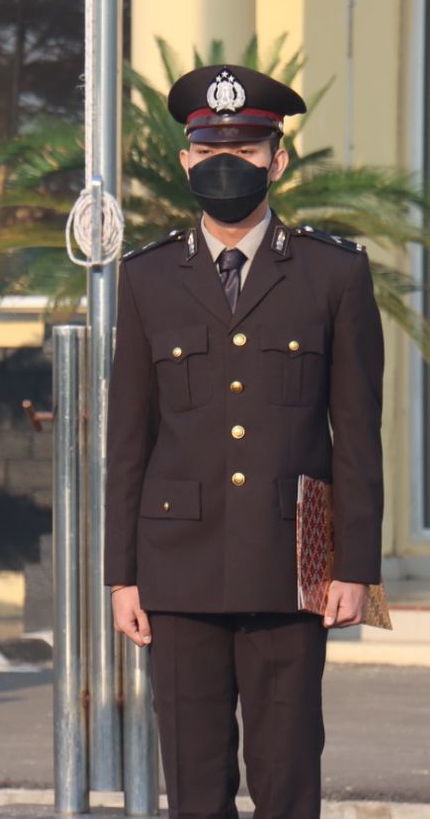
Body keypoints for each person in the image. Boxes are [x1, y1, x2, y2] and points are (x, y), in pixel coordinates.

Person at [105, 64, 385, 819]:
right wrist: (120, 577)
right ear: (187, 161)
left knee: (288, 775)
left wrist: (355, 567)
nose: (228, 164)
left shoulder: (334, 274)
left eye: (249, 148)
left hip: (296, 564)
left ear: (278, 161)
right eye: (211, 148)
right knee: (195, 786)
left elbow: (357, 434)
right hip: (177, 568)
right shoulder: (147, 278)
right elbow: (129, 440)